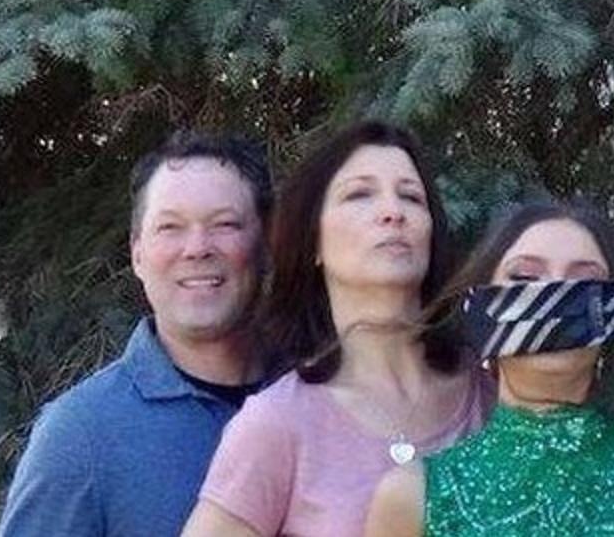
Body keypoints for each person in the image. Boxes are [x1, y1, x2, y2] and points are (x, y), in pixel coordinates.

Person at [181, 120, 493, 537]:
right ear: (313, 241)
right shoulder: (276, 424)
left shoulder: (491, 393)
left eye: (411, 197)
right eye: (360, 194)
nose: (393, 212)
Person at [365, 201, 614, 537]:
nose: (554, 299)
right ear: (483, 314)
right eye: (524, 278)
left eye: (584, 283)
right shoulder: (411, 497)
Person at [0, 132, 273, 536]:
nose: (197, 247)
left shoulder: (320, 397)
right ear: (137, 253)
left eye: (225, 224)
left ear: (266, 244)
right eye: (170, 227)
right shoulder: (80, 435)